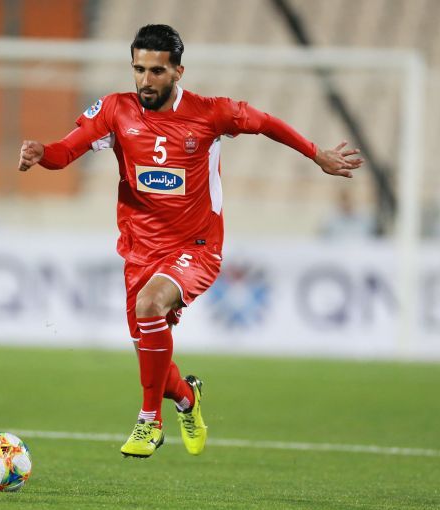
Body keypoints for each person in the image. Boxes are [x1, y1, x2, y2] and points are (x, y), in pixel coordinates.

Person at [18, 24, 363, 458]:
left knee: (149, 307)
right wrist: (42, 153)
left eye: (157, 71)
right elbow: (66, 152)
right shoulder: (115, 110)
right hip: (139, 252)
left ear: (178, 71)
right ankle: (187, 398)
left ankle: (149, 422)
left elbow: (265, 123)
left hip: (196, 247)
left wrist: (316, 154)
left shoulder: (210, 113)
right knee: (155, 367)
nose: (145, 80)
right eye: (139, 69)